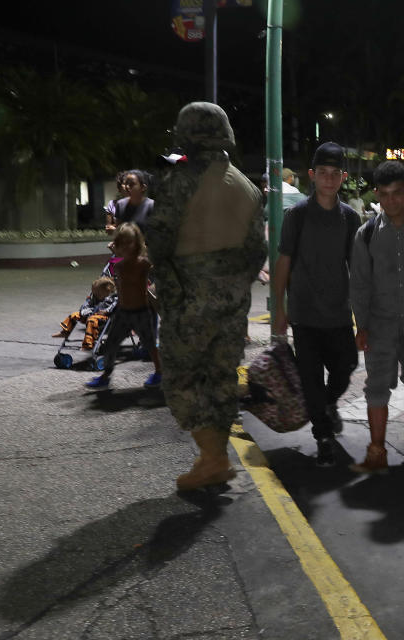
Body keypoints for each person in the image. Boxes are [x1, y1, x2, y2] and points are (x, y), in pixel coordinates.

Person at [144, 101, 267, 491]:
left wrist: (170, 292)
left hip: (189, 301)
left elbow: (159, 242)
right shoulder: (246, 185)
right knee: (220, 378)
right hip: (233, 303)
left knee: (181, 379)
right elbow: (257, 250)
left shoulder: (178, 180)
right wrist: (233, 283)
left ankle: (212, 458)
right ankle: (213, 458)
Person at [272, 142, 362, 467]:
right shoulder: (297, 215)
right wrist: (279, 309)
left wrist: (363, 317)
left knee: (347, 366)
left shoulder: (350, 218)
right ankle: (323, 436)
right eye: (322, 173)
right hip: (305, 314)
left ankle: (326, 404)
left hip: (339, 313)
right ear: (312, 176)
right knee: (310, 379)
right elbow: (284, 261)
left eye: (334, 173)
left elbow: (358, 268)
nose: (328, 179)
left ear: (343, 177)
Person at [347, 160, 404, 474]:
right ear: (377, 194)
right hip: (380, 325)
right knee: (376, 387)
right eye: (384, 195)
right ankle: (376, 451)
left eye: (397, 193)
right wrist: (361, 325)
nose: (391, 201)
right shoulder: (367, 232)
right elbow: (359, 283)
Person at [85, 223, 162, 390]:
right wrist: (111, 309)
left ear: (138, 244)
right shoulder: (118, 266)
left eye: (131, 242)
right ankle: (106, 375)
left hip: (141, 312)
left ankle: (159, 372)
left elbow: (157, 267)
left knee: (149, 344)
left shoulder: (144, 264)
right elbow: (120, 290)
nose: (127, 246)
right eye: (123, 243)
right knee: (110, 344)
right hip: (123, 312)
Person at [52, 276, 117, 350]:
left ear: (106, 292)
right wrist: (84, 311)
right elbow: (85, 306)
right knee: (74, 315)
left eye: (97, 292)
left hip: (104, 318)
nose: (95, 294)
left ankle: (88, 344)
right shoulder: (94, 298)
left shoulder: (113, 299)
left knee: (91, 321)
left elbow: (113, 307)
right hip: (90, 313)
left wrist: (106, 311)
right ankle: (65, 332)